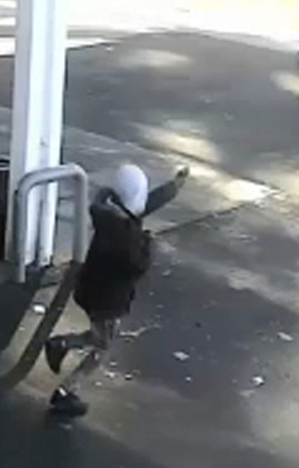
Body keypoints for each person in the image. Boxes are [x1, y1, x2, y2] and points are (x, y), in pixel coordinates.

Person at [44, 163, 190, 417]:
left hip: (91, 290)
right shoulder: (125, 237)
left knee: (98, 335)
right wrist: (148, 243)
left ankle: (61, 344)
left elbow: (146, 203)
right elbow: (137, 266)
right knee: (103, 347)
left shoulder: (110, 214)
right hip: (107, 300)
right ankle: (67, 391)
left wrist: (173, 187)